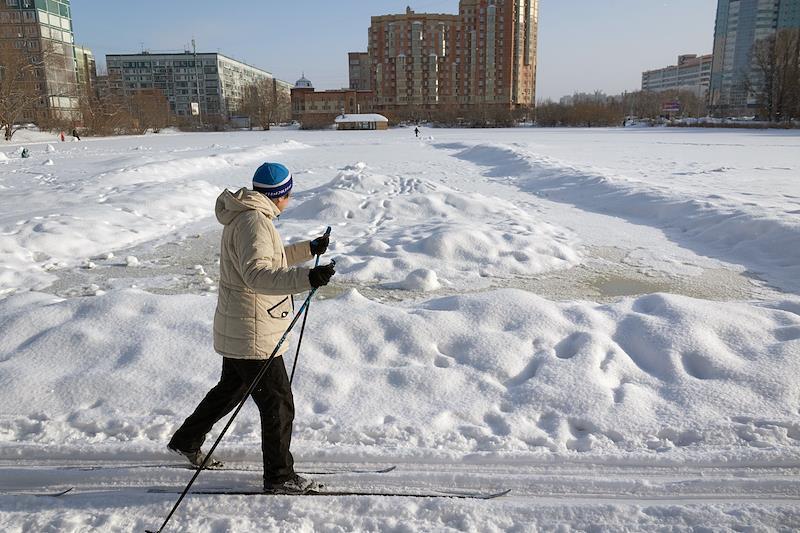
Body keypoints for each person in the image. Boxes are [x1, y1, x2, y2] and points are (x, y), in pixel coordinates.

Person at [167, 162, 336, 494]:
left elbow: (269, 259)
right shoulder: (254, 223)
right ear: (279, 195)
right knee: (278, 402)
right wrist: (307, 278)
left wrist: (308, 250)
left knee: (231, 388)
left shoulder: (249, 216)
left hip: (244, 324)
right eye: (288, 194)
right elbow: (257, 274)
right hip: (253, 331)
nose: (289, 199)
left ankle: (186, 440)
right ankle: (279, 477)